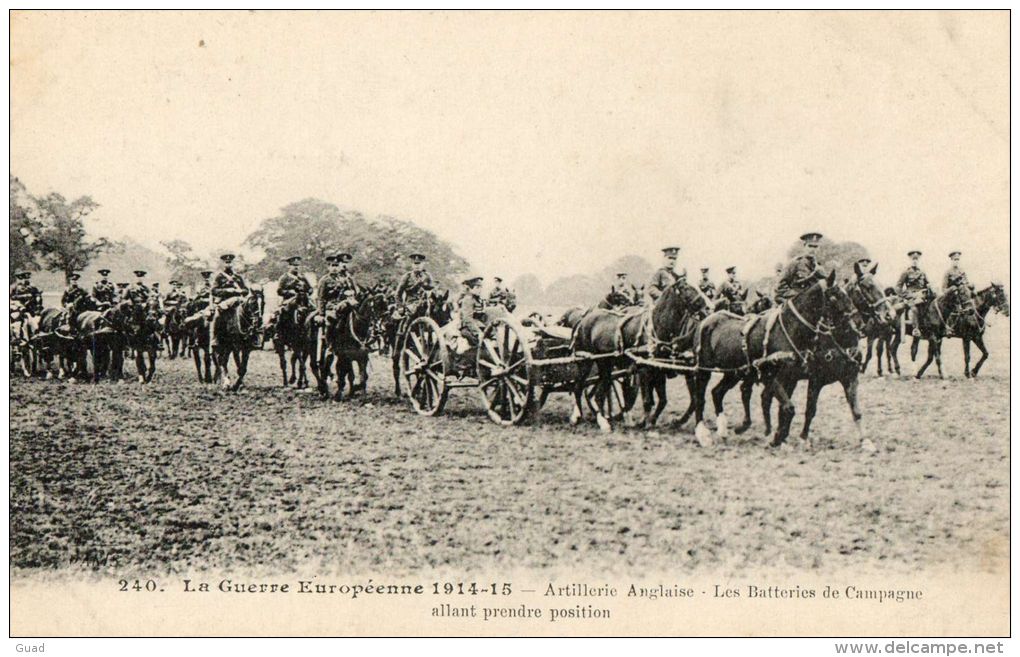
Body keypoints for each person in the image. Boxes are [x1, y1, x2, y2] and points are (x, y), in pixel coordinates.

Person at [775, 232, 826, 302]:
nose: (813, 249)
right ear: (804, 246)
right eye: (810, 246)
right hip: (797, 304)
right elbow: (780, 286)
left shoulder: (820, 268)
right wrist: (798, 295)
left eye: (815, 247)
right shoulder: (795, 263)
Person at [896, 250, 932, 338]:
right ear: (910, 260)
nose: (915, 261)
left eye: (916, 259)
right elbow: (898, 287)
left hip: (922, 295)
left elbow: (927, 283)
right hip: (910, 297)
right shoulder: (906, 272)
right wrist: (906, 296)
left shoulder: (922, 272)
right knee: (915, 309)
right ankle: (915, 329)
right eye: (913, 259)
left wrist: (929, 287)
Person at [458, 276, 486, 349]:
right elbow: (467, 319)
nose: (480, 290)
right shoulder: (468, 300)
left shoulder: (479, 299)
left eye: (481, 287)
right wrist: (478, 332)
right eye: (477, 288)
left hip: (479, 325)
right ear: (471, 289)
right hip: (468, 328)